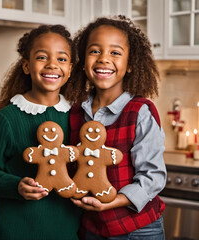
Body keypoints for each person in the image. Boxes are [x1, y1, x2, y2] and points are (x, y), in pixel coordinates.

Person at [0, 24, 81, 240]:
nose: (52, 65)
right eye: (42, 57)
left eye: (61, 59)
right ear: (26, 66)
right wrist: (16, 186)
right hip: (15, 232)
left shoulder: (79, 116)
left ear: (70, 69)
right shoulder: (5, 119)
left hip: (67, 232)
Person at [66, 15, 167, 240]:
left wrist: (114, 200)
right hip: (90, 228)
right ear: (82, 61)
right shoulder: (74, 111)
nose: (103, 59)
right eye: (94, 51)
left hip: (138, 230)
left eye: (115, 53)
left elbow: (152, 177)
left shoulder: (140, 111)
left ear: (130, 64)